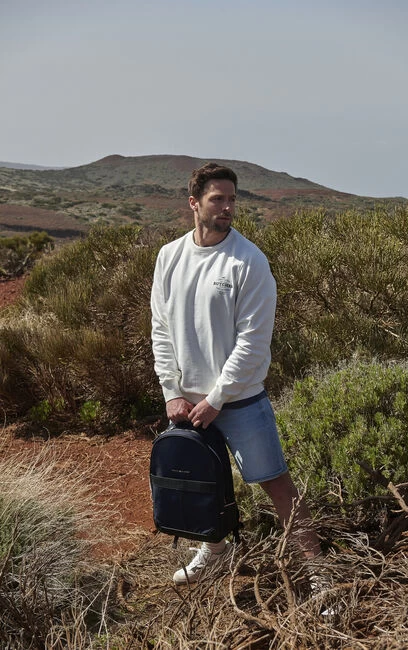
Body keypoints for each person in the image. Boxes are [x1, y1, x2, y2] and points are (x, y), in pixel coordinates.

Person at [150, 162, 321, 585]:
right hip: (186, 402)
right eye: (217, 199)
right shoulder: (170, 256)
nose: (227, 207)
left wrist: (217, 398)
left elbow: (253, 342)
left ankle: (321, 575)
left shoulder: (248, 261)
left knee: (277, 486)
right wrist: (172, 391)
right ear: (194, 202)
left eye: (231, 199)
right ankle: (215, 551)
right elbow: (160, 328)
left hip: (239, 400)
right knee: (201, 481)